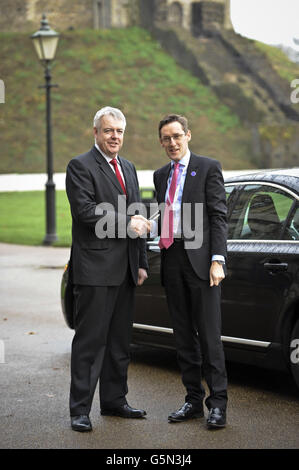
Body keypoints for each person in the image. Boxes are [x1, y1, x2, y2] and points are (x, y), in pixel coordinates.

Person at [65, 106, 149, 432]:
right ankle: (80, 410)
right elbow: (86, 213)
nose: (115, 137)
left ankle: (114, 401)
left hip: (125, 270)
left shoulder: (128, 167)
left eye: (120, 132)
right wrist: (128, 224)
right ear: (96, 133)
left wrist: (140, 262)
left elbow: (139, 214)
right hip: (95, 271)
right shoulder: (80, 166)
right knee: (90, 343)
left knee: (119, 343)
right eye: (109, 130)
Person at [152, 114, 228, 429]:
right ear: (161, 142)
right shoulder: (160, 176)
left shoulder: (208, 167)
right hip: (172, 259)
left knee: (209, 336)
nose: (172, 143)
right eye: (166, 138)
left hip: (202, 262)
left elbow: (219, 216)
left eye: (176, 136)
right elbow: (163, 215)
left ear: (188, 135)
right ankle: (193, 401)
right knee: (182, 336)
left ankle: (218, 405)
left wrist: (218, 259)